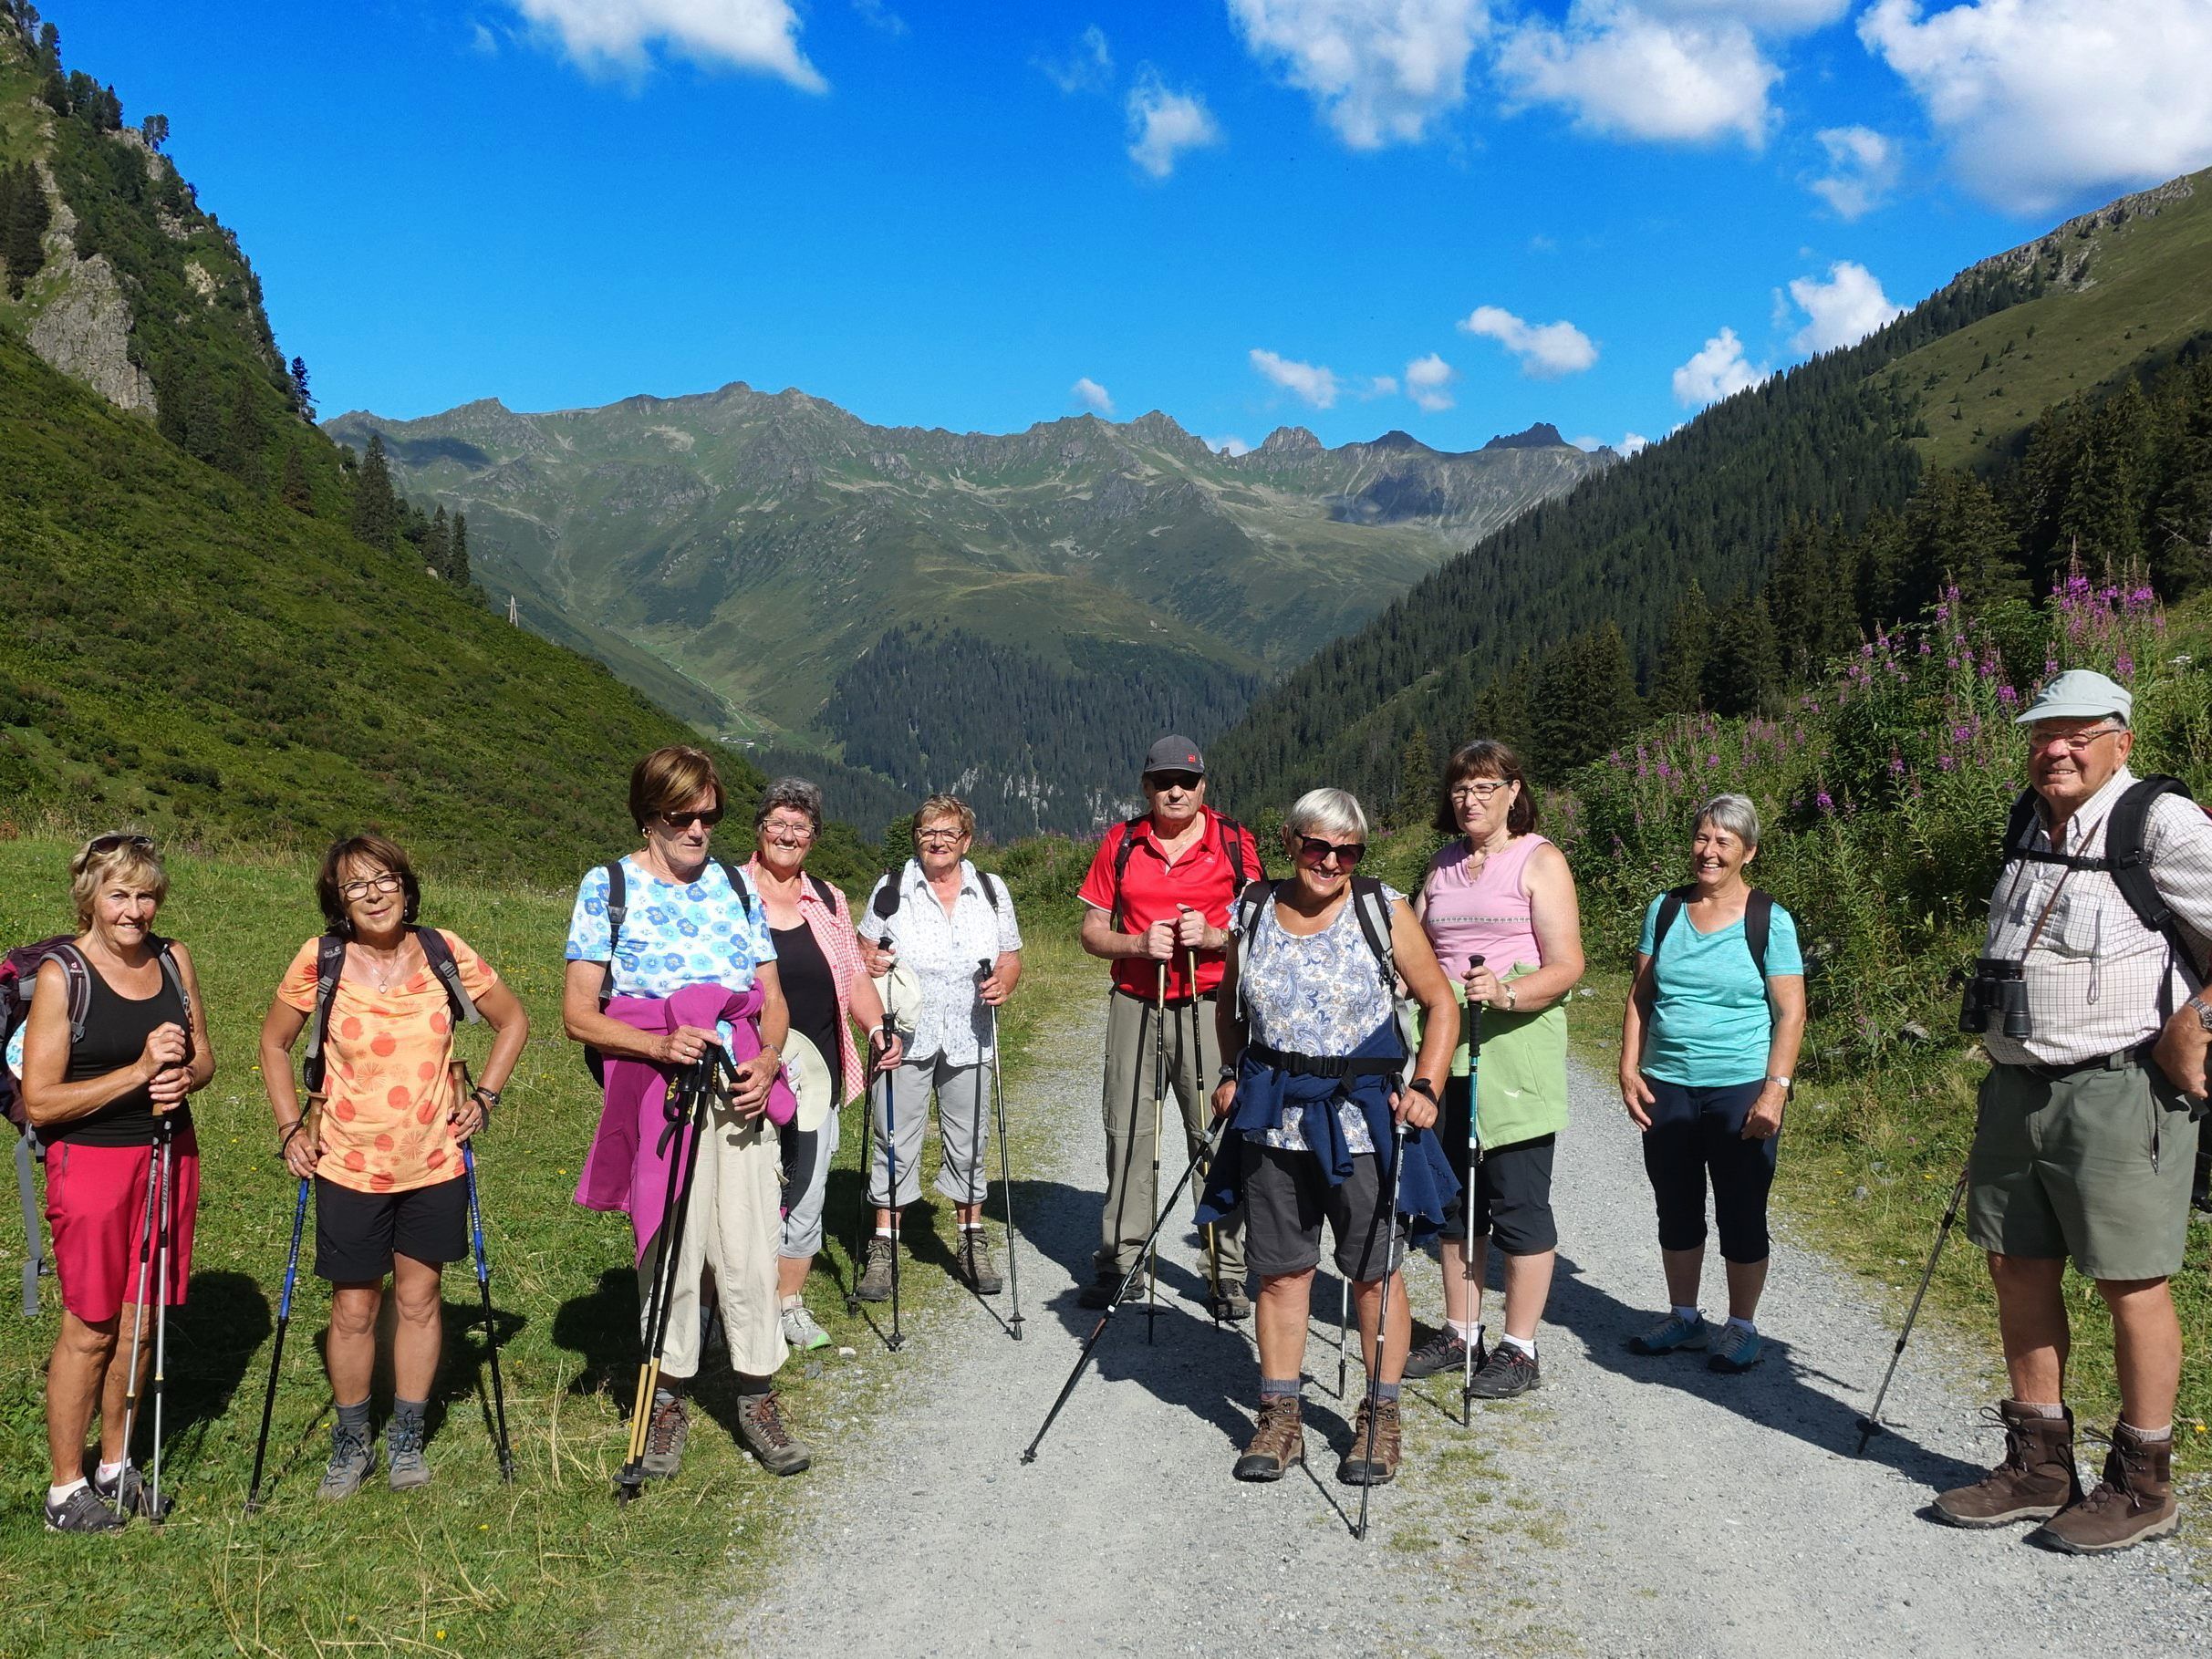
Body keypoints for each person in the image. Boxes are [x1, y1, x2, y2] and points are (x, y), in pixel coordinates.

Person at [1932, 669, 2212, 1552]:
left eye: (2078, 733)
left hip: (2121, 1088)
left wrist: (2197, 1022)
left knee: (2129, 1281)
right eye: (2042, 734)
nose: (2055, 748)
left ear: (2121, 739)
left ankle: (2143, 1482)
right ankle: (2038, 1464)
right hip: (2016, 1084)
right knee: (2016, 1266)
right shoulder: (2029, 814)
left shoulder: (2157, 822)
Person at [1197, 789, 1459, 1487]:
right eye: (1318, 847)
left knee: (1374, 1269)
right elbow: (1229, 1007)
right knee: (1281, 1271)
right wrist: (1230, 1071)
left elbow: (1439, 1002)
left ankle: (1380, 1417)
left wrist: (1426, 1086)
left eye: (1348, 851)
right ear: (1289, 841)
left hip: (1362, 1122)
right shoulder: (1250, 909)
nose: (1332, 862)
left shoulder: (1382, 908)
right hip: (1273, 1120)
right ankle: (1279, 1417)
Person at [563, 745, 809, 1478]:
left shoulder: (736, 886)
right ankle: (666, 1395)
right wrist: (657, 1042)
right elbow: (578, 1014)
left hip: (736, 1083)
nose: (699, 829)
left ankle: (756, 1391)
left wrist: (768, 1061)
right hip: (656, 1087)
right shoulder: (607, 886)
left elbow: (771, 999)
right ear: (648, 815)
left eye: (710, 815)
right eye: (682, 816)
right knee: (667, 1243)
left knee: (748, 1239)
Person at [260, 834, 529, 1497]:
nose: (374, 893)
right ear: (338, 899)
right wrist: (291, 1125)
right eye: (356, 884)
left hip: (434, 1160)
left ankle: (406, 1438)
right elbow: (273, 1040)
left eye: (384, 879)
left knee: (419, 1298)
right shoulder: (320, 959)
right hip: (347, 1163)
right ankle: (352, 1443)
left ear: (406, 888)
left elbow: (513, 1019)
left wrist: (485, 1097)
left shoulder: (445, 951)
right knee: (352, 1309)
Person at [15, 833, 213, 1531]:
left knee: (140, 1318)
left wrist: (181, 1075)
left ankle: (115, 1464)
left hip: (169, 1152)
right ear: (90, 896)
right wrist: (137, 1073)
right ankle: (64, 1490)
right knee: (91, 1327)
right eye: (119, 893)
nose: (135, 908)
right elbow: (41, 1100)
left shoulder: (172, 957)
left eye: (146, 893)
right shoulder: (64, 976)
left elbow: (205, 1059)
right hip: (93, 1163)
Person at [1402, 739, 1585, 1399]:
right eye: (1460, 788)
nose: (1469, 799)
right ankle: (1460, 1332)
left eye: (1484, 787)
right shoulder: (1441, 865)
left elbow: (1567, 963)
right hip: (1446, 1049)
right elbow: (1417, 949)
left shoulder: (1539, 860)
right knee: (1454, 1200)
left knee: (1516, 1201)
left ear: (1513, 790)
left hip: (1513, 1048)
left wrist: (1507, 991)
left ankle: (1519, 1346)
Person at [1615, 794, 1805, 1374]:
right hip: (1667, 1083)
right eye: (1702, 838)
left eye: (1724, 842)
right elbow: (1640, 995)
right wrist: (1628, 1067)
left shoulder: (1768, 918)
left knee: (1742, 1209)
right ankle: (1685, 1317)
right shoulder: (1665, 910)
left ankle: (1742, 1327)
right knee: (1676, 1206)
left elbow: (1791, 1013)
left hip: (1740, 1087)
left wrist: (1775, 1089)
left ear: (1748, 851)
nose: (1709, 851)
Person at [1075, 736, 1260, 1317]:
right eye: (1162, 781)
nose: (1174, 790)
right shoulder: (1122, 841)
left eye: (1186, 780)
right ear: (1146, 786)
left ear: (1204, 786)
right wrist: (1136, 942)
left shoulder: (1233, 842)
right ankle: (1122, 1260)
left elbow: (1259, 929)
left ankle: (1225, 1270)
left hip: (1210, 1003)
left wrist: (1213, 937)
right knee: (1127, 1129)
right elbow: (1090, 931)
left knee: (1216, 1132)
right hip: (1137, 998)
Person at [745, 777, 902, 1353]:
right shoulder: (728, 892)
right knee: (745, 1188)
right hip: (747, 1066)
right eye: (777, 824)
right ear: (759, 830)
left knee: (807, 1191)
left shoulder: (830, 900)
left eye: (800, 828)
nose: (788, 836)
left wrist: (877, 1025)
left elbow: (855, 978)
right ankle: (732, 1307)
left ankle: (788, 1304)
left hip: (819, 1072)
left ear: (813, 838)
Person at [854, 794, 1023, 1299]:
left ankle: (971, 1236)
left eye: (949, 833)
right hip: (902, 1037)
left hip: (970, 1036)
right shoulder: (891, 889)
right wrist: (872, 964)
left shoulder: (990, 891)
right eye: (929, 832)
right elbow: (860, 956)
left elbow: (1010, 957)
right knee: (894, 1138)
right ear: (917, 838)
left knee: (970, 1140)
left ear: (966, 841)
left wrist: (1005, 985)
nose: (937, 841)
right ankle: (884, 1244)